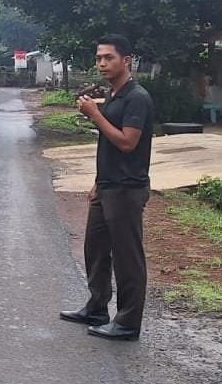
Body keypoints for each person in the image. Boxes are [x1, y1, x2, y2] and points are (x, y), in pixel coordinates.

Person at [60, 35, 154, 342]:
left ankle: (127, 322)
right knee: (95, 250)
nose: (102, 63)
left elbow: (127, 143)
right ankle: (97, 306)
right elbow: (108, 147)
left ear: (126, 60)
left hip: (127, 189)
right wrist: (97, 183)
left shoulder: (136, 97)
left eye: (108, 58)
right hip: (107, 186)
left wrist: (95, 115)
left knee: (127, 258)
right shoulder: (114, 95)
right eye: (99, 58)